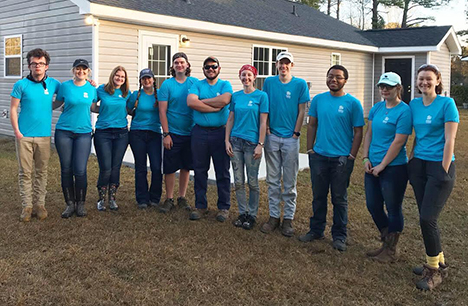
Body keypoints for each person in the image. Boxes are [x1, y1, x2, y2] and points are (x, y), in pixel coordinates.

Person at [299, 65, 364, 252]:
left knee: (339, 198)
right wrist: (310, 149)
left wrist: (352, 155)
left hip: (341, 159)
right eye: (330, 76)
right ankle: (316, 230)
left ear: (345, 80)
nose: (333, 80)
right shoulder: (319, 100)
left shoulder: (353, 103)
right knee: (318, 196)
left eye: (338, 77)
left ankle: (339, 235)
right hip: (319, 156)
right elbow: (312, 125)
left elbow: (358, 131)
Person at [408, 64, 458, 291]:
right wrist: (411, 160)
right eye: (421, 79)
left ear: (437, 80)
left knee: (427, 218)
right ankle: (439, 261)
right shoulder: (414, 104)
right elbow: (417, 136)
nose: (424, 82)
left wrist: (443, 169)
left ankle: (434, 272)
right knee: (426, 216)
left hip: (440, 166)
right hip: (419, 164)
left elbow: (450, 140)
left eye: (429, 79)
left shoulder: (447, 104)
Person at [362, 72, 412, 261]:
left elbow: (399, 142)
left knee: (393, 207)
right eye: (382, 86)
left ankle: (391, 250)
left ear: (398, 88)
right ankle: (386, 240)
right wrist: (365, 157)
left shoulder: (404, 111)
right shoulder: (376, 108)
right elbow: (369, 134)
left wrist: (383, 165)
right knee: (373, 205)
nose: (384, 90)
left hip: (394, 168)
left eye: (389, 86)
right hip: (372, 165)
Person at [260, 51, 309, 237]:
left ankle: (288, 218)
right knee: (272, 179)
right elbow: (265, 106)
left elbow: (302, 110)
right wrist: (268, 129)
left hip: (291, 138)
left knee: (289, 180)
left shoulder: (300, 84)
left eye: (287, 63)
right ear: (277, 64)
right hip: (272, 136)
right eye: (281, 63)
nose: (284, 66)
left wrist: (296, 133)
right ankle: (274, 217)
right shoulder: (269, 83)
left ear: (292, 65)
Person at [10, 48, 61, 222]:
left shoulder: (54, 84)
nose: (37, 66)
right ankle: (27, 206)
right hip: (24, 135)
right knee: (25, 172)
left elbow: (69, 91)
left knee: (41, 172)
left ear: (47, 66)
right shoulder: (21, 85)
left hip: (44, 136)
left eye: (41, 63)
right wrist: (17, 131)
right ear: (29, 65)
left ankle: (40, 204)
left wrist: (90, 83)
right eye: (34, 63)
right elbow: (13, 109)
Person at [187, 56, 233, 222]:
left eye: (214, 66)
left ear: (219, 69)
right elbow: (191, 102)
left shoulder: (225, 85)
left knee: (222, 171)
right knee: (200, 170)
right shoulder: (197, 85)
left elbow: (225, 99)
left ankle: (223, 207)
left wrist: (202, 102)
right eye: (207, 67)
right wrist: (214, 108)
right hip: (199, 133)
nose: (211, 69)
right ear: (203, 70)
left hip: (220, 133)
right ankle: (200, 205)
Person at [225, 64, 268, 230]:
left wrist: (260, 144)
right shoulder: (236, 96)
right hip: (235, 142)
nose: (246, 78)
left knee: (252, 182)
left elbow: (263, 122)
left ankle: (252, 214)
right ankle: (242, 213)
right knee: (238, 181)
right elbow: (230, 119)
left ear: (254, 77)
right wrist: (226, 141)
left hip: (252, 144)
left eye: (249, 75)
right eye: (243, 75)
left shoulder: (261, 96)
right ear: (240, 77)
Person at [54, 59, 97, 218]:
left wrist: (115, 109)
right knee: (66, 169)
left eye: (84, 69)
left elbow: (93, 107)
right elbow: (58, 103)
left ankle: (81, 204)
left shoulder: (92, 89)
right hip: (64, 131)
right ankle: (69, 204)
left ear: (88, 71)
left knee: (80, 169)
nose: (81, 72)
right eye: (78, 69)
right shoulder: (65, 86)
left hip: (83, 133)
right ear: (73, 70)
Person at [158, 52, 198, 213]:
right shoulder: (167, 85)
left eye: (182, 62)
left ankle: (181, 197)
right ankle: (169, 198)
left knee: (186, 166)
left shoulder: (194, 83)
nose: (179, 65)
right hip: (173, 133)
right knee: (169, 167)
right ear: (173, 66)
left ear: (187, 65)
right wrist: (166, 134)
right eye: (176, 63)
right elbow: (162, 111)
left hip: (191, 133)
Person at [91, 66, 130, 211]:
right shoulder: (102, 89)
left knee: (115, 167)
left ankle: (112, 198)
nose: (119, 79)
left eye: (122, 77)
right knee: (105, 168)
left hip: (121, 134)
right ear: (112, 76)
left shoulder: (127, 93)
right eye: (117, 76)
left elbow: (131, 109)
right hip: (103, 133)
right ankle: (101, 199)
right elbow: (92, 106)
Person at [127, 68, 162, 209]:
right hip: (137, 133)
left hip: (154, 133)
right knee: (140, 167)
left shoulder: (159, 95)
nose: (146, 80)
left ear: (153, 80)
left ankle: (155, 197)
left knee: (156, 166)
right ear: (141, 81)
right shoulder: (136, 95)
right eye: (143, 78)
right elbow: (127, 109)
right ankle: (142, 198)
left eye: (149, 78)